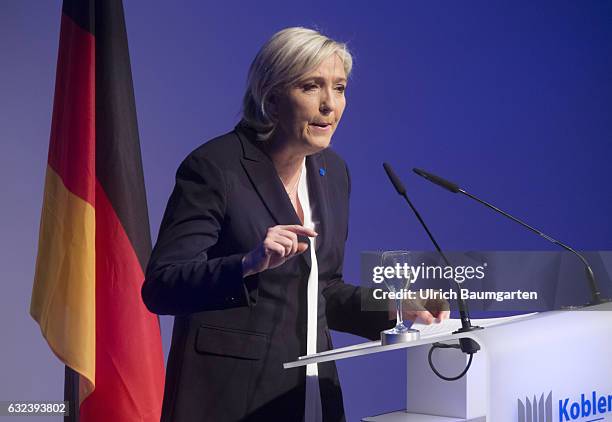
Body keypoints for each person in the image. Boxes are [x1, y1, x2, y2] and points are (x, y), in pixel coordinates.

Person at [142, 27, 448, 422]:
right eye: (311, 87)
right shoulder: (216, 167)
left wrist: (394, 305)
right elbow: (162, 287)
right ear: (270, 98)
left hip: (309, 393)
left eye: (339, 88)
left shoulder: (331, 172)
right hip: (229, 398)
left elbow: (324, 291)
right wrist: (245, 265)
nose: (330, 106)